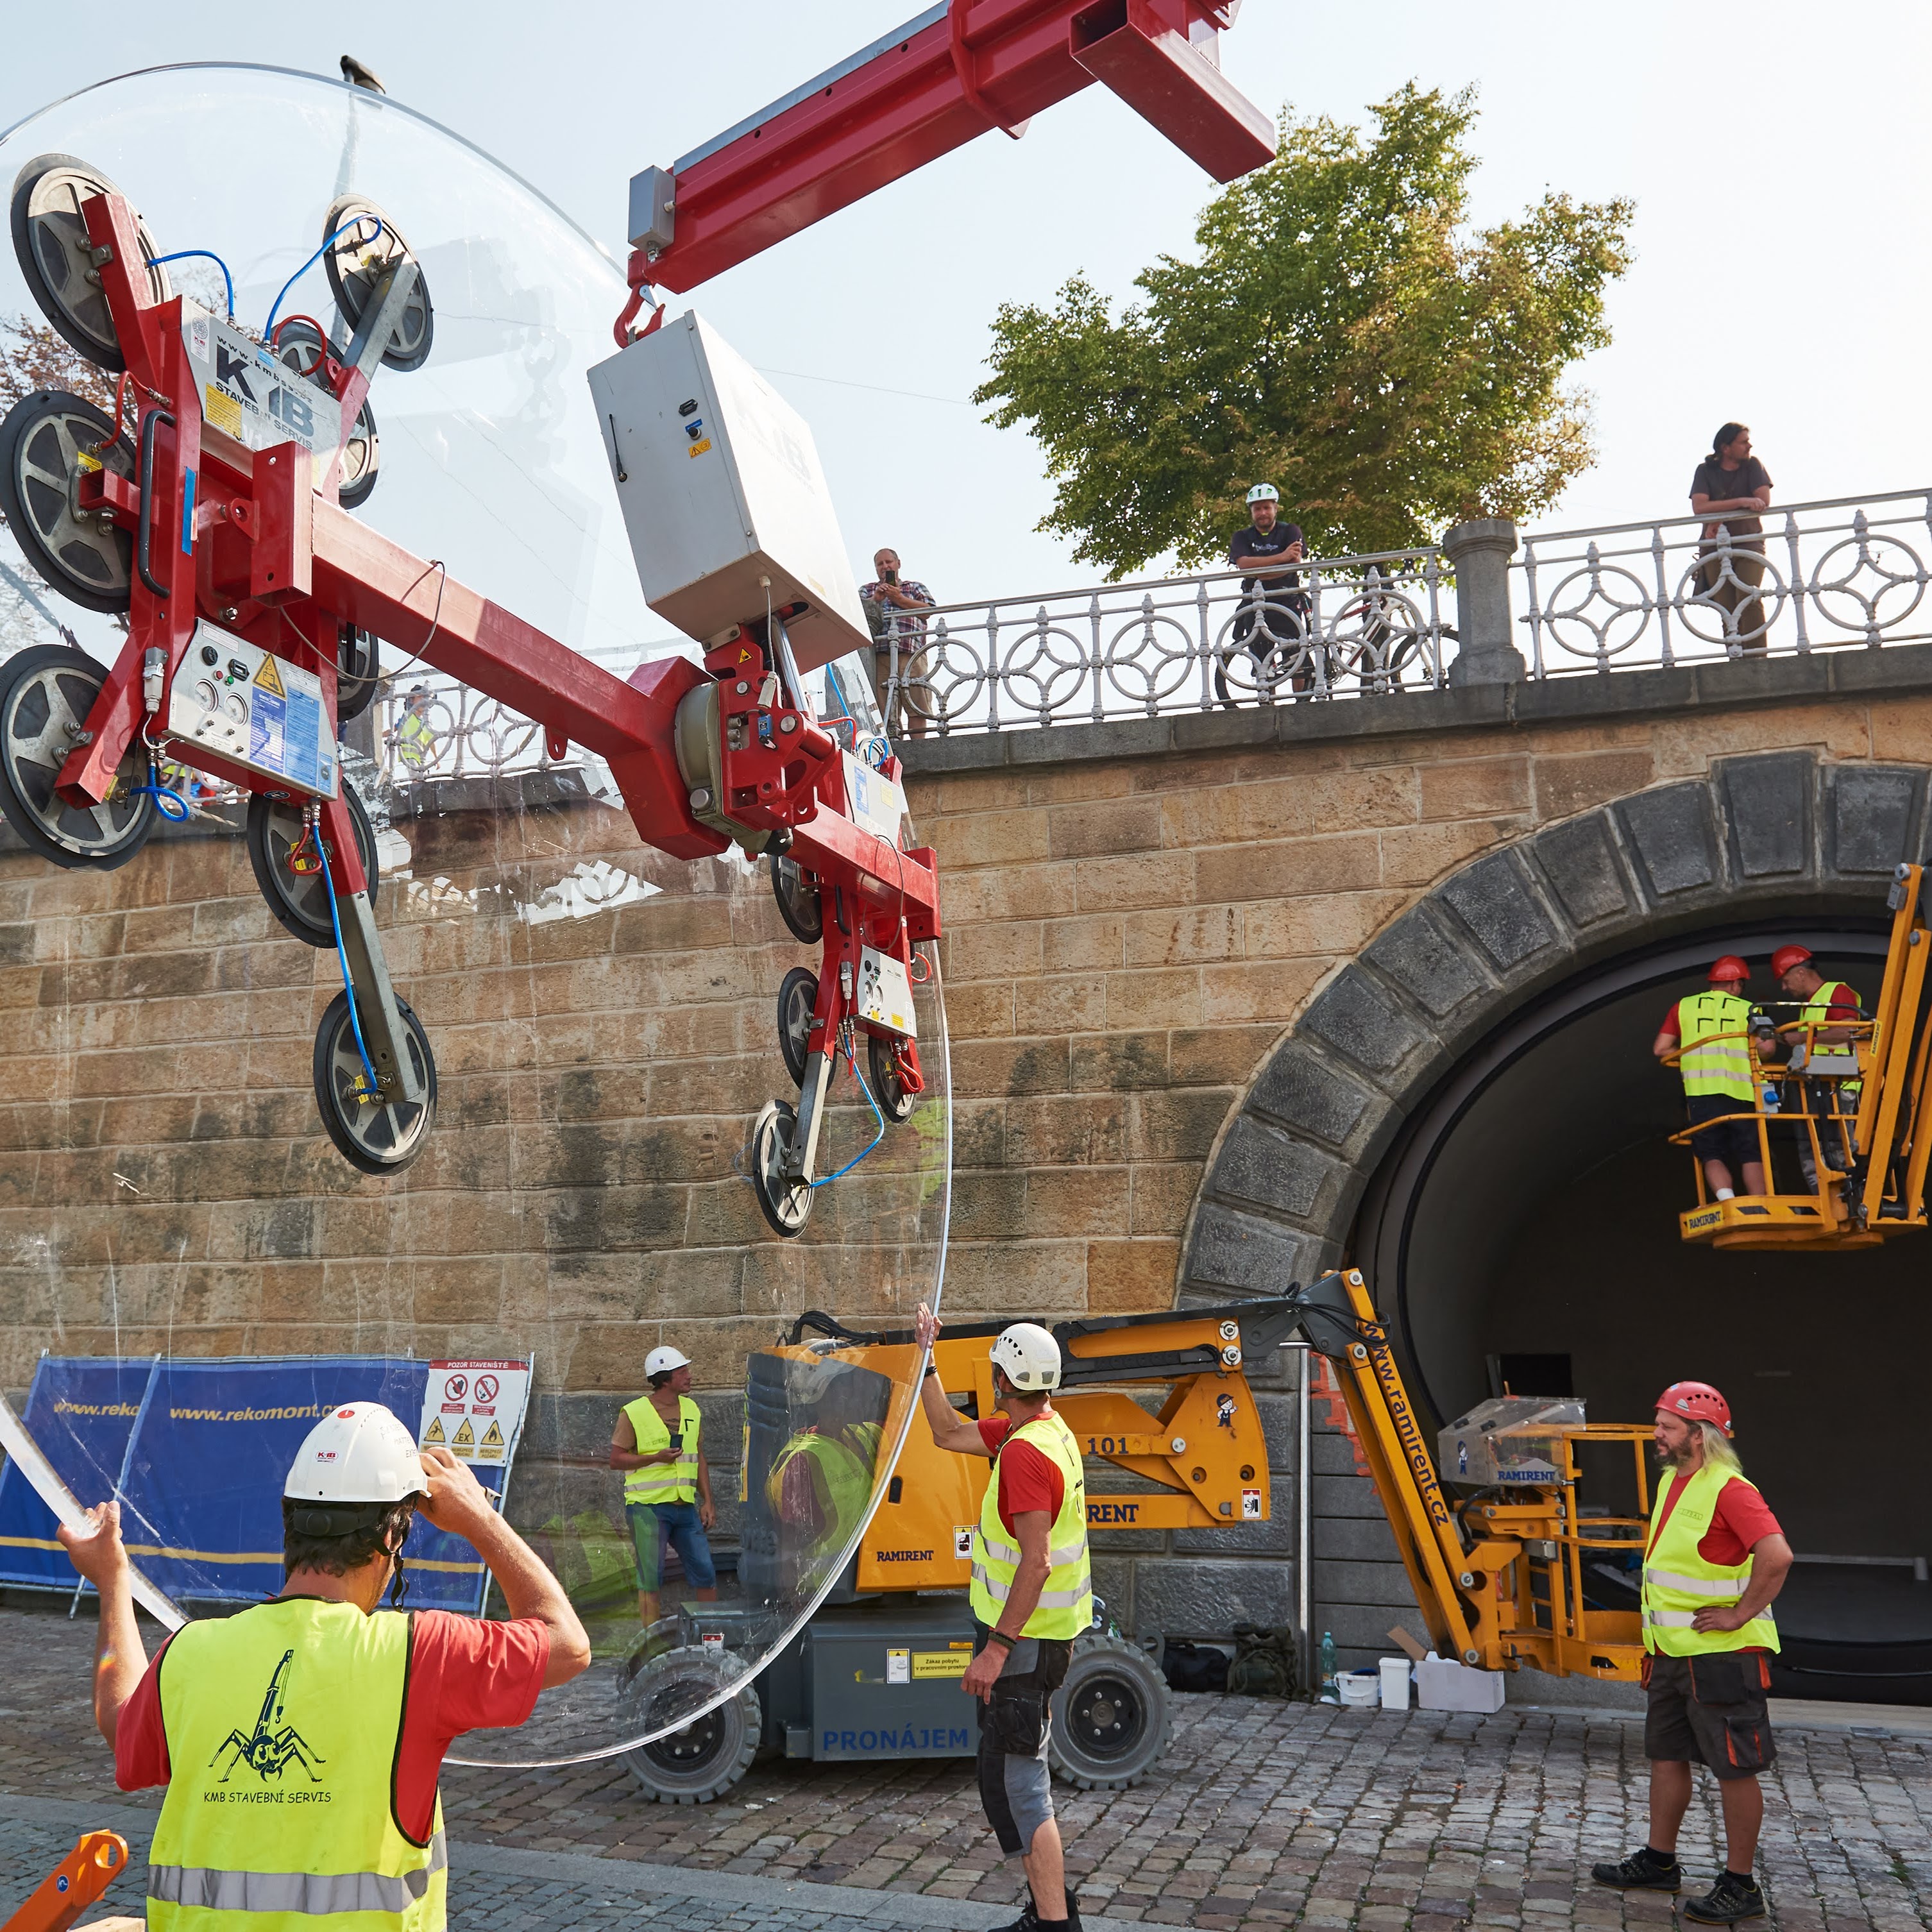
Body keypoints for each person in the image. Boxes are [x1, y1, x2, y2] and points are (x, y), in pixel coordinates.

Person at [55, 1402, 591, 1932]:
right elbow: (566, 1643)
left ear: (290, 1525)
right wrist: (479, 1516)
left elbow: (117, 1721)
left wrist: (112, 1580)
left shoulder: (189, 1652)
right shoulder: (420, 1653)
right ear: (390, 1537)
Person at [912, 1301, 1092, 1932]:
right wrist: (925, 1355)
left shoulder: (1022, 1455)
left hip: (1025, 1642)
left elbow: (1036, 1562)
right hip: (1030, 1638)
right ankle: (1049, 1910)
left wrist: (995, 1649)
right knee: (1005, 1775)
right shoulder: (1041, 1430)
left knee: (1021, 1785)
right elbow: (945, 1431)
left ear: (1001, 1381)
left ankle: (1053, 1925)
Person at [1591, 1381, 1792, 1924]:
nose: (1656, 1433)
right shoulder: (1671, 1482)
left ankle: (1741, 1884)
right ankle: (1660, 1862)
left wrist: (1737, 1615)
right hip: (1673, 1653)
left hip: (1723, 1658)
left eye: (1666, 1426)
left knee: (1734, 1770)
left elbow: (1777, 1556)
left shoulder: (1730, 1489)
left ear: (1698, 1436)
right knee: (1666, 1755)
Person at [611, 1344, 716, 1629]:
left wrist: (708, 1501)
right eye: (683, 1371)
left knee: (705, 1572)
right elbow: (616, 1459)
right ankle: (649, 1643)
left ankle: (708, 1637)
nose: (690, 1376)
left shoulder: (692, 1409)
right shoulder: (633, 1413)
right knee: (650, 1578)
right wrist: (654, 1458)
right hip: (647, 1509)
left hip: (685, 1508)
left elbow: (699, 1457)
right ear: (665, 1378)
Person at [1654, 956, 1768, 1200]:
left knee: (1710, 1153)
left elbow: (1661, 1049)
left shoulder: (1683, 1006)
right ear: (1737, 983)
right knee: (1751, 1152)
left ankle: (1726, 1200)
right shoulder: (1750, 1009)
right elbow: (1767, 1048)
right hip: (1743, 1092)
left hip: (1701, 1093)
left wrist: (1692, 1056)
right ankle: (1761, 1202)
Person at [1767, 943, 1863, 1187]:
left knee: (1836, 1144)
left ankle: (1848, 1192)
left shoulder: (1836, 992)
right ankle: (1827, 1194)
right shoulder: (1809, 1007)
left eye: (1786, 980)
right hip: (1817, 1084)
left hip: (1837, 1083)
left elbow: (1848, 1030)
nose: (1784, 987)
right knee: (1815, 1146)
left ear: (1800, 972)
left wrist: (1800, 1038)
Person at [1221, 484, 1311, 706]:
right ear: (1251, 512)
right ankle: (1267, 704)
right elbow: (1244, 565)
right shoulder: (1242, 536)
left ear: (1275, 509)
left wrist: (1261, 571)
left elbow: (1294, 565)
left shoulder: (1291, 530)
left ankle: (1300, 704)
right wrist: (1282, 557)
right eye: (1257, 509)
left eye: (1266, 508)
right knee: (1261, 657)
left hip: (1287, 598)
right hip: (1255, 602)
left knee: (1295, 655)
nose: (1262, 513)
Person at [1690, 425, 1774, 656]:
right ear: (1726, 448)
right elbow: (1700, 508)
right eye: (1743, 442)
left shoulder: (1753, 466)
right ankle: (1736, 656)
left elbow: (1762, 501)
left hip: (1749, 543)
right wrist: (1742, 502)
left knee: (1749, 596)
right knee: (1727, 608)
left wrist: (1718, 515)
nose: (1749, 446)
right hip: (1714, 548)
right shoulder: (1705, 471)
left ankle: (1757, 659)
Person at [860, 548, 935, 739]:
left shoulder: (914, 587)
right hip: (880, 655)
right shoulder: (867, 590)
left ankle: (920, 748)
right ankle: (895, 748)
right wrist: (876, 599)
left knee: (917, 703)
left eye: (889, 562)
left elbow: (928, 611)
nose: (885, 567)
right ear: (876, 569)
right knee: (886, 708)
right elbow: (856, 615)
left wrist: (899, 599)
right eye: (880, 564)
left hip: (913, 654)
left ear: (898, 564)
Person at [393, 685, 435, 774]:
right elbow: (395, 728)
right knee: (416, 780)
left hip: (421, 757)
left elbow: (431, 740)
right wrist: (380, 735)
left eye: (426, 698)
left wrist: (436, 758)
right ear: (412, 700)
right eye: (420, 697)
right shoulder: (407, 715)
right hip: (409, 755)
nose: (424, 701)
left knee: (422, 779)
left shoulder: (427, 721)